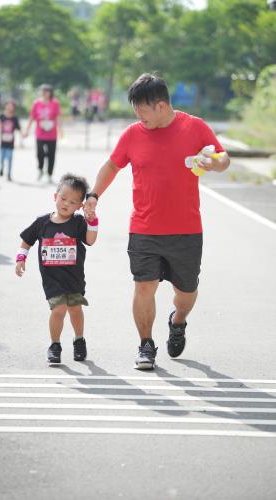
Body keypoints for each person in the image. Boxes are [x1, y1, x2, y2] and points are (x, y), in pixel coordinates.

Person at [84, 73, 230, 370]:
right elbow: (112, 165)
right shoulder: (133, 134)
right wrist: (93, 194)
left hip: (186, 230)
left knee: (186, 293)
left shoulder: (195, 127)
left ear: (162, 105)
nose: (139, 117)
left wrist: (213, 163)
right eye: (135, 111)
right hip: (144, 228)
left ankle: (178, 321)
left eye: (143, 111)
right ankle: (146, 344)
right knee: (143, 287)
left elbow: (224, 158)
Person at [15, 173, 98, 364]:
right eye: (63, 198)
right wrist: (21, 258)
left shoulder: (78, 223)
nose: (66, 204)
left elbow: (91, 240)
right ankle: (55, 345)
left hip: (74, 277)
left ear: (79, 206)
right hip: (52, 279)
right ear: (55, 196)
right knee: (58, 309)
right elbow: (26, 241)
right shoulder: (42, 223)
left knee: (75, 309)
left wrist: (92, 221)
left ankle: (79, 340)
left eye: (73, 202)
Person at [24, 84, 61, 183]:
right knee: (40, 152)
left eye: (47, 91)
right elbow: (32, 117)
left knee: (51, 155)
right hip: (40, 133)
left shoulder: (55, 103)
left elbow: (57, 118)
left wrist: (61, 129)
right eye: (43, 91)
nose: (44, 93)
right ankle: (40, 169)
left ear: (50, 93)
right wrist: (27, 130)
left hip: (52, 134)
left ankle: (49, 174)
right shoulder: (36, 103)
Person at [0, 100, 21, 181]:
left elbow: (19, 128)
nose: (10, 107)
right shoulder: (1, 116)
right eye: (8, 105)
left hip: (11, 142)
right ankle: (1, 168)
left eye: (11, 106)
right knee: (2, 157)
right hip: (2, 141)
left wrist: (21, 140)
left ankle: (9, 174)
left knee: (9, 158)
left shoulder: (15, 118)